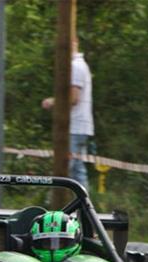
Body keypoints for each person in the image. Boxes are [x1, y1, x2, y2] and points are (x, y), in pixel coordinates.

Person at [42, 35, 94, 188]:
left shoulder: (76, 67)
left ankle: (58, 206)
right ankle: (84, 208)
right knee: (78, 171)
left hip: (75, 126)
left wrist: (52, 101)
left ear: (73, 44)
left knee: (65, 169)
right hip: (80, 126)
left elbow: (73, 98)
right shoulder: (79, 65)